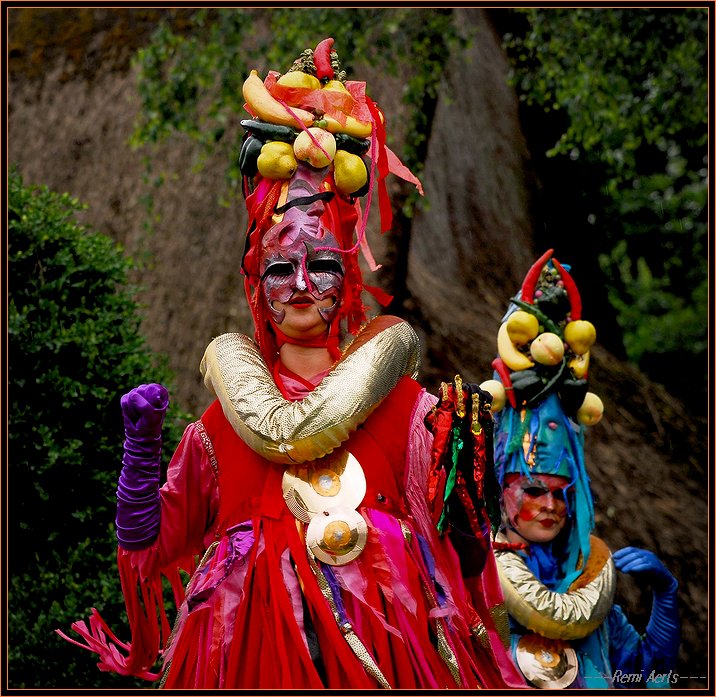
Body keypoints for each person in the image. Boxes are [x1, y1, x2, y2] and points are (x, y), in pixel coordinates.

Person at [59, 39, 524, 689]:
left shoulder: (411, 410)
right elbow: (151, 546)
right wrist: (139, 453)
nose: (302, 281)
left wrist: (469, 478)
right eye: (281, 266)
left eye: (324, 262)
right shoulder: (218, 430)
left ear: (350, 278)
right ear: (256, 281)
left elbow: (461, 558)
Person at [479, 251, 680, 688]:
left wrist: (665, 597)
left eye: (562, 493)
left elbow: (647, 676)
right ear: (503, 489)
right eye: (533, 491)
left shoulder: (586, 583)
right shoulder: (472, 582)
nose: (551, 505)